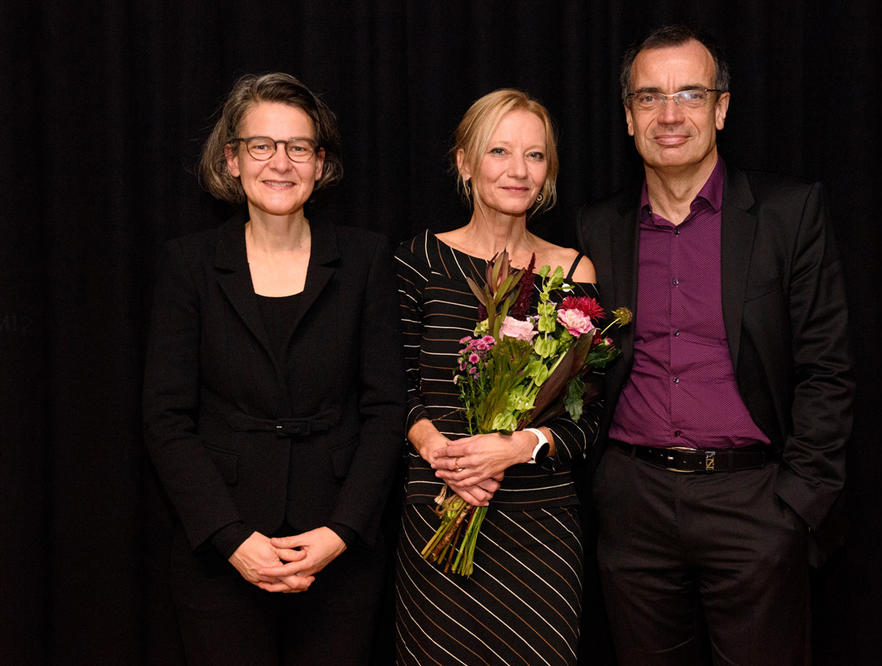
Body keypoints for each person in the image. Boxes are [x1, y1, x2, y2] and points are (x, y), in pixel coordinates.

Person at [577, 25, 854, 665]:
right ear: (627, 117)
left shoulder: (789, 213)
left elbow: (826, 369)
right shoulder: (599, 227)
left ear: (721, 109)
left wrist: (796, 504)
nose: (669, 114)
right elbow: (585, 370)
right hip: (633, 507)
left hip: (754, 506)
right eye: (649, 98)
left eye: (690, 95)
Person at [143, 72, 405, 665]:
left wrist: (341, 533)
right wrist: (232, 539)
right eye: (261, 146)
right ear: (232, 160)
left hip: (338, 551)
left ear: (320, 163)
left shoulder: (364, 259)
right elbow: (165, 418)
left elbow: (387, 410)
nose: (279, 163)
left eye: (299, 147)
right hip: (221, 552)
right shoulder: (188, 265)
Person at [394, 88, 601, 665]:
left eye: (535, 156)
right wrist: (444, 454)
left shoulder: (574, 272)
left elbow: (591, 416)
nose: (518, 170)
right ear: (465, 162)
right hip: (439, 511)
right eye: (499, 151)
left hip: (541, 529)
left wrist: (515, 447)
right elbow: (390, 390)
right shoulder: (419, 260)